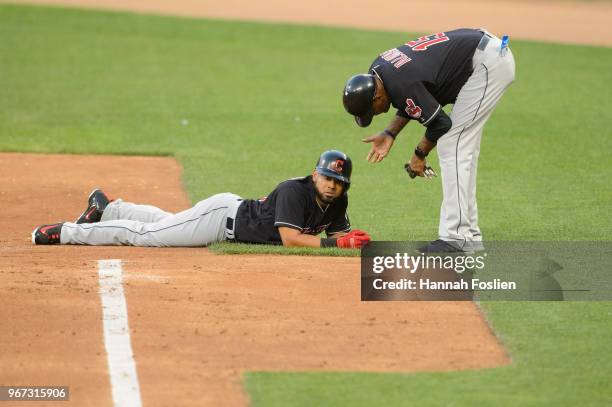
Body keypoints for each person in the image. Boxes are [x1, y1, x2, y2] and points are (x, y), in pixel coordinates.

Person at [342, 28, 515, 252]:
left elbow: (441, 123)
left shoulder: (399, 82)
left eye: (371, 111)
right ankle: (468, 235)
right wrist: (390, 133)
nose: (376, 115)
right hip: (484, 53)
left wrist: (419, 154)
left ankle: (455, 238)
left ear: (376, 96)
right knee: (462, 148)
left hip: (487, 63)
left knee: (452, 143)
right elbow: (409, 97)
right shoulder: (379, 70)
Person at [32, 150, 371, 249]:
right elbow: (292, 239)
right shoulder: (294, 191)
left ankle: (108, 209)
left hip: (224, 215)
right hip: (219, 219)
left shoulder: (338, 201)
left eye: (338, 182)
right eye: (327, 178)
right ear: (315, 175)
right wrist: (336, 247)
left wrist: (353, 242)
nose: (331, 186)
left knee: (167, 221)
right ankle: (64, 232)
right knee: (148, 236)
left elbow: (340, 235)